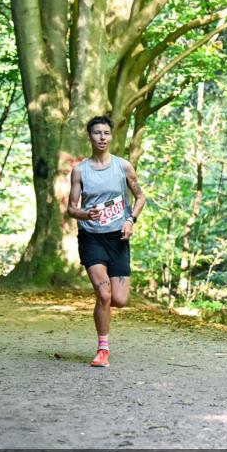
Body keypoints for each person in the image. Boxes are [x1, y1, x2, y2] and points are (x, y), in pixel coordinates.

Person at [67, 115, 146, 367]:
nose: (102, 137)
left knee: (119, 300)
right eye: (97, 133)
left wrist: (130, 220)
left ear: (111, 136)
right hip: (91, 237)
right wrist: (85, 213)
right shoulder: (80, 170)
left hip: (118, 236)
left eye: (106, 133)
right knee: (103, 293)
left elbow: (141, 197)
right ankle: (103, 349)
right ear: (89, 137)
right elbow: (71, 208)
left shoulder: (123, 167)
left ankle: (104, 313)